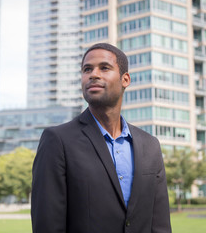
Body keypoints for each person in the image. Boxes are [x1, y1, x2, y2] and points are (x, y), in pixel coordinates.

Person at [31, 43, 172, 233]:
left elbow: (160, 224)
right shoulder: (57, 141)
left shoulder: (150, 145)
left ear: (125, 79)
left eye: (104, 68)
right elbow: (47, 226)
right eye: (87, 69)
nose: (93, 74)